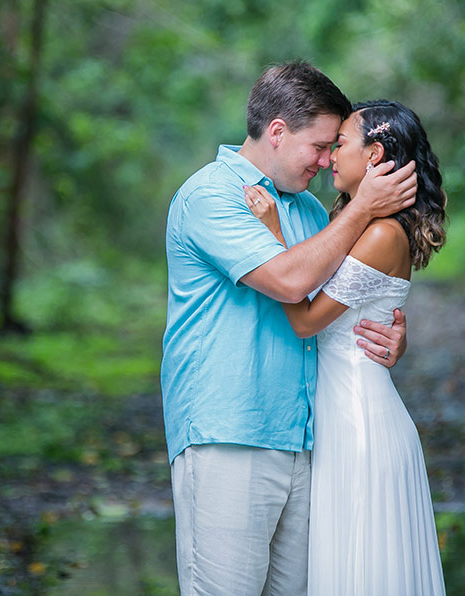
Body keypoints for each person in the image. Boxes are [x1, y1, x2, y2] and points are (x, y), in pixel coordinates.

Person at [161, 61, 417, 595]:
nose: (327, 163)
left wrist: (389, 327)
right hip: (230, 436)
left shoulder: (307, 210)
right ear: (277, 131)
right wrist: (363, 206)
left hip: (307, 442)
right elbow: (291, 281)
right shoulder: (211, 196)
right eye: (321, 147)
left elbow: (342, 298)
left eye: (334, 149)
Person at [244, 99, 448, 595]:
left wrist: (273, 235)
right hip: (340, 415)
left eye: (341, 145)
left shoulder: (380, 233)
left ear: (375, 155)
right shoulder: (357, 224)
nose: (331, 156)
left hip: (360, 422)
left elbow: (308, 319)